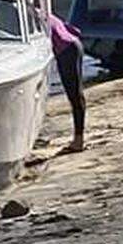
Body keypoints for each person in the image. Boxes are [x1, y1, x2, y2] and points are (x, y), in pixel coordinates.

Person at [49, 12, 86, 152]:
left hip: (67, 50)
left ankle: (78, 141)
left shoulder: (33, 17)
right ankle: (79, 139)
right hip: (73, 44)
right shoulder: (43, 12)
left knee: (74, 94)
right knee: (76, 94)